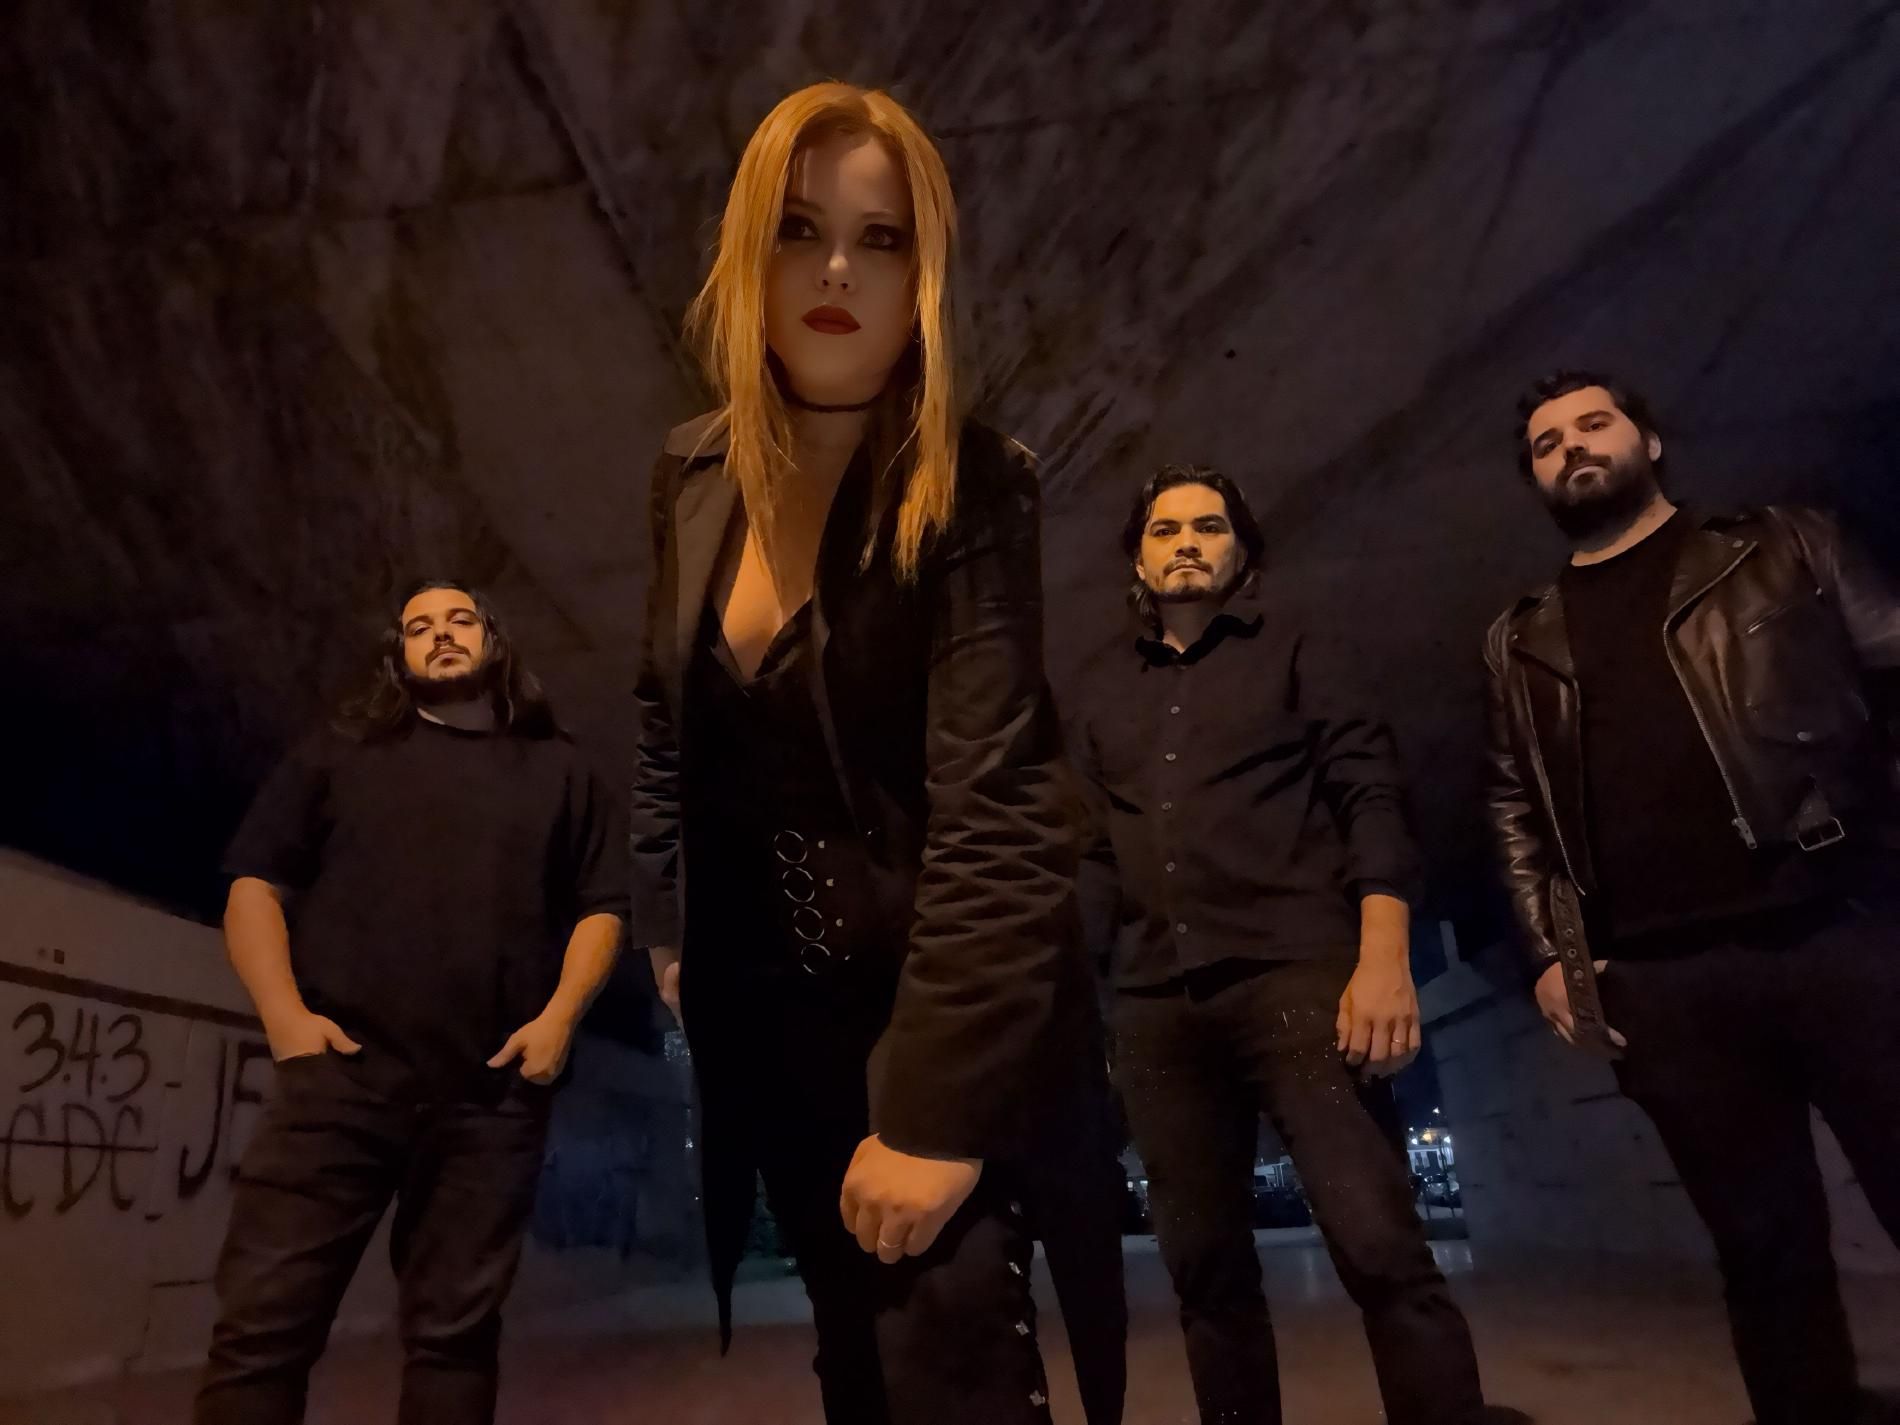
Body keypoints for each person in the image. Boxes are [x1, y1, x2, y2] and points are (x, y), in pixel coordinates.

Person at [629, 82, 1123, 1425]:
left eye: (881, 237)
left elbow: (999, 805)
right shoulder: (688, 474)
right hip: (772, 1013)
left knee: (950, 1363)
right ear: (749, 256)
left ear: (924, 276)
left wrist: (934, 1114)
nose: (837, 269)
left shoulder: (973, 479)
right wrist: (672, 928)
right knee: (852, 1360)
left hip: (938, 1001)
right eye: (799, 230)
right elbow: (665, 720)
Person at [1484, 369, 1900, 1425]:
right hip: (1664, 983)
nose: (1573, 448)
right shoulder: (1521, 636)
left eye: (1594, 424)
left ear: (1650, 440)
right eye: (1547, 444)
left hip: (1836, 933)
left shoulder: (1783, 546)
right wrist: (1548, 952)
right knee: (1763, 1252)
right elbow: (1512, 801)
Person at [1072, 464, 1486, 1425]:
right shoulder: (1098, 690)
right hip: (1156, 1008)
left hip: (1297, 982)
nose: (1186, 542)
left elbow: (1369, 794)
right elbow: (1090, 856)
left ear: (1241, 550)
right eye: (1165, 529)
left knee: (1379, 1243)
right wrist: (1079, 1010)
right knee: (1204, 1270)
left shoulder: (1302, 645)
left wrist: (1384, 958)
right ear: (1138, 559)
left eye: (1209, 526)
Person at [194, 580, 628, 1425]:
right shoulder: (339, 754)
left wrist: (559, 1020)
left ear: (495, 641)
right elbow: (254, 886)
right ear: (399, 655)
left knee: (454, 1338)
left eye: (460, 619)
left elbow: (602, 907)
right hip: (339, 1085)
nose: (441, 634)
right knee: (261, 1330)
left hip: (491, 1098)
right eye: (419, 626)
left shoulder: (563, 770)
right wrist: (285, 1019)